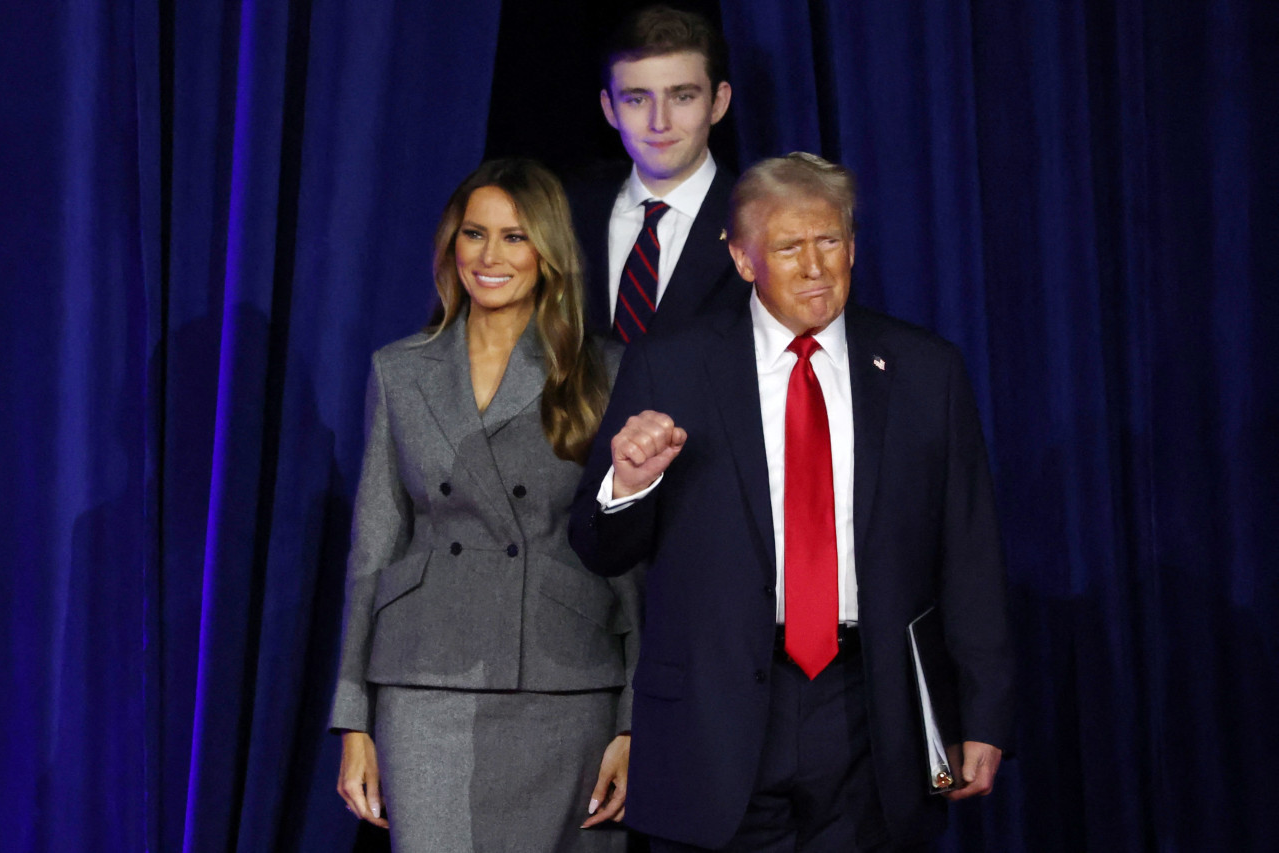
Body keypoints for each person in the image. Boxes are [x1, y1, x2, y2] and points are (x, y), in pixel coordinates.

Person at [569, 153, 1014, 851]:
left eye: (829, 241)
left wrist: (984, 713)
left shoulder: (927, 371)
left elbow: (971, 553)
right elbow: (600, 548)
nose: (815, 266)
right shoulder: (670, 364)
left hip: (870, 708)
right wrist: (628, 485)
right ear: (744, 260)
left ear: (852, 246)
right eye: (788, 247)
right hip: (717, 714)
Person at [331, 158, 639, 852]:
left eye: (514, 237)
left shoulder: (604, 372)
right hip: (425, 685)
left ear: (549, 252)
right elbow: (374, 545)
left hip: (564, 682)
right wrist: (353, 716)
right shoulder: (399, 369)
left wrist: (632, 717)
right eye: (475, 234)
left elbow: (632, 558)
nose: (490, 256)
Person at [569, 5, 744, 343]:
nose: (659, 122)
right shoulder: (569, 213)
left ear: (718, 103)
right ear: (610, 109)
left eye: (682, 97)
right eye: (637, 100)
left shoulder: (759, 220)